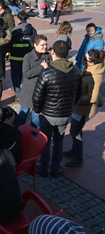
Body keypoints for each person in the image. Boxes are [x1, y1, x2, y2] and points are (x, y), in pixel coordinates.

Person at [33, 40, 82, 178]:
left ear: (52, 52)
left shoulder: (47, 73)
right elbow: (78, 94)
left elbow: (37, 97)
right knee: (59, 140)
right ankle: (56, 167)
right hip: (65, 114)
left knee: (46, 140)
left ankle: (43, 167)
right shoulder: (77, 72)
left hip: (47, 114)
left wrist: (38, 110)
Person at [64, 49, 105, 167]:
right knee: (76, 131)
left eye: (85, 58)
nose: (83, 59)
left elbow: (92, 97)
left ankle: (78, 158)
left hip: (83, 109)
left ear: (92, 62)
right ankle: (74, 150)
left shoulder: (95, 76)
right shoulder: (90, 69)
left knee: (75, 132)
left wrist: (77, 100)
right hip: (78, 107)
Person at [17, 34, 50, 129]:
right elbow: (27, 73)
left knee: (36, 117)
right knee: (23, 113)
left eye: (46, 44)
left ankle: (33, 135)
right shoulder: (28, 57)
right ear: (35, 45)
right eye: (42, 45)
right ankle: (18, 132)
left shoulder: (47, 56)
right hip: (29, 91)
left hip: (40, 91)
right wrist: (41, 67)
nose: (45, 47)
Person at [9, 11, 36, 102]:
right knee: (27, 74)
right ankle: (28, 92)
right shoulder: (32, 30)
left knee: (16, 75)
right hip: (28, 57)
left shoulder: (15, 31)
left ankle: (18, 92)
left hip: (15, 57)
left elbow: (10, 44)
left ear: (18, 19)